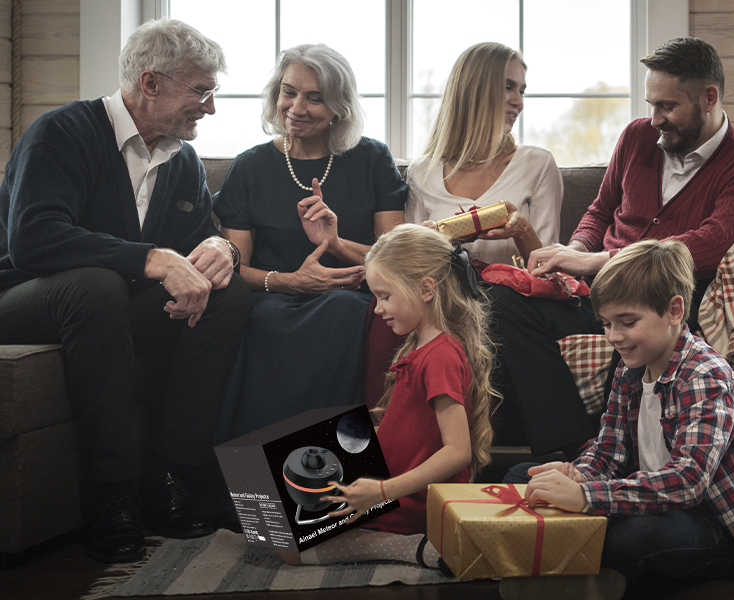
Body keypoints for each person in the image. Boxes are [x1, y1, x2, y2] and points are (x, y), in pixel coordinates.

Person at [0, 19, 250, 563]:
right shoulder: (60, 132)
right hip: (23, 299)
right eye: (201, 91)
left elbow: (194, 238)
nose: (209, 108)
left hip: (110, 304)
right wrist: (152, 258)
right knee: (95, 285)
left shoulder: (181, 159)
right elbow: (34, 240)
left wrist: (221, 252)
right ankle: (112, 495)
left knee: (227, 294)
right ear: (150, 83)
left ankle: (168, 473)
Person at [486, 37, 734, 456]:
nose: (655, 118)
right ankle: (568, 448)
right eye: (650, 104)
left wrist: (598, 260)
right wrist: (574, 254)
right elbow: (599, 211)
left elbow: (711, 244)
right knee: (501, 303)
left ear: (708, 98)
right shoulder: (637, 137)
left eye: (667, 106)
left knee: (641, 330)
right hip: (595, 294)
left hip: (667, 300)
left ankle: (602, 461)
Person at [501, 240, 734, 599]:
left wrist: (586, 496)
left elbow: (689, 482)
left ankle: (576, 569)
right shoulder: (630, 369)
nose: (614, 337)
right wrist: (577, 474)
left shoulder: (705, 376)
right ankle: (587, 570)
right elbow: (607, 451)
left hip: (717, 527)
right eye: (606, 324)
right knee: (522, 477)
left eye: (627, 322)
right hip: (652, 501)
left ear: (673, 311)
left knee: (635, 538)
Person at [212, 44, 408, 441]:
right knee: (265, 321)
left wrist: (336, 244)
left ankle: (325, 481)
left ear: (340, 106)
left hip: (351, 297)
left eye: (315, 98)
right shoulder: (250, 166)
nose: (296, 107)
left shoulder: (372, 159)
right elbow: (235, 269)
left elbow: (397, 259)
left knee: (342, 311)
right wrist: (290, 281)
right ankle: (260, 486)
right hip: (274, 298)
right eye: (289, 92)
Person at [278, 224, 494, 566]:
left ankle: (407, 546)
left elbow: (458, 452)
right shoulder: (423, 347)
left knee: (288, 548)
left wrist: (381, 492)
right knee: (278, 516)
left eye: (385, 296)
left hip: (411, 498)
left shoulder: (440, 356)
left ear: (426, 289)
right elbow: (407, 430)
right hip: (390, 482)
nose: (378, 308)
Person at [406, 42, 563, 265]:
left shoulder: (538, 164)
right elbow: (410, 269)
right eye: (508, 87)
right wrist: (428, 245)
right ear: (474, 91)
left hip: (514, 296)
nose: (519, 102)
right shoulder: (422, 172)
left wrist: (522, 231)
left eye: (522, 91)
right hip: (443, 296)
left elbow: (551, 270)